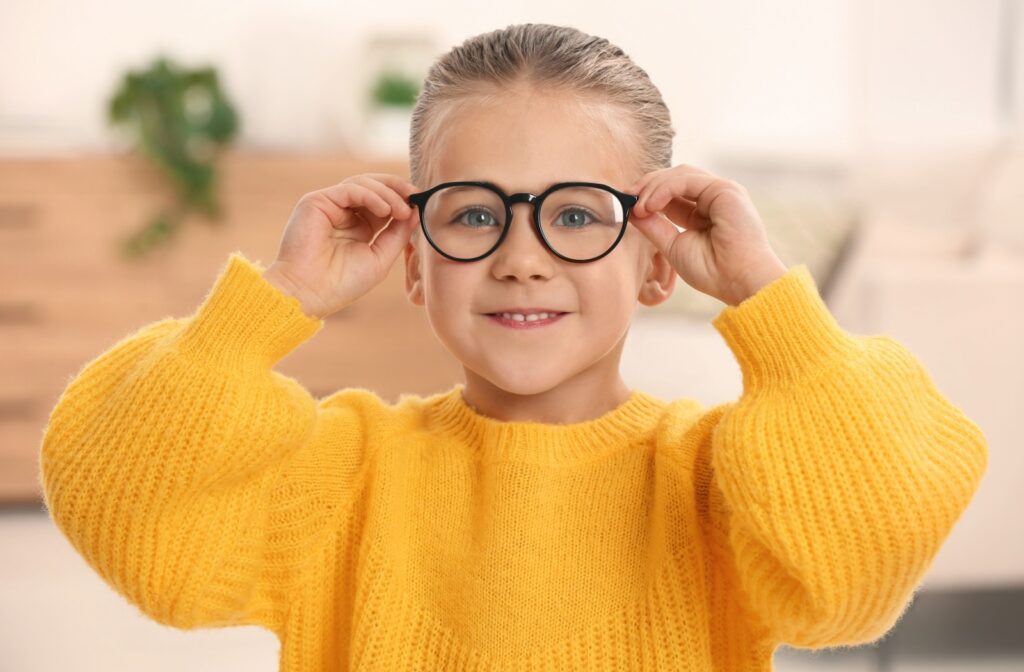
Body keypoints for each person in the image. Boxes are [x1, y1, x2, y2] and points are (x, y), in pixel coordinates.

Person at [39, 22, 989, 671]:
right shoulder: (343, 473)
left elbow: (868, 562)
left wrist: (768, 299)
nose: (522, 259)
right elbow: (120, 501)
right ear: (415, 265)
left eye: (577, 213)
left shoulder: (713, 481)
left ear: (657, 267)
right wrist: (271, 305)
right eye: (476, 214)